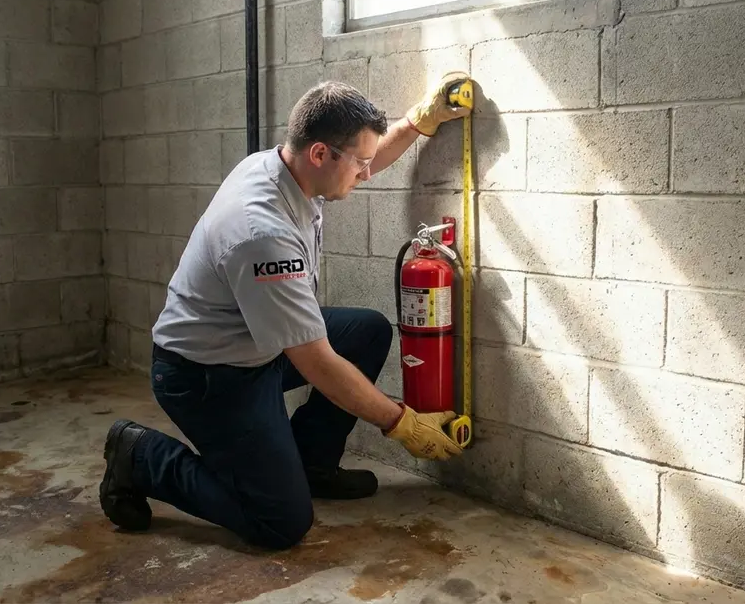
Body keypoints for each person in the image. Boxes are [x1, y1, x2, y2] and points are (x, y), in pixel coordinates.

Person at [98, 72, 472, 550]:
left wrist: (419, 121)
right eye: (359, 163)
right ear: (320, 153)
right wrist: (401, 422)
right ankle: (142, 457)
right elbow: (315, 362)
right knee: (280, 522)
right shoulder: (262, 231)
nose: (367, 173)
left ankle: (312, 463)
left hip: (256, 347)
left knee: (367, 331)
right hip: (207, 377)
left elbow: (364, 155)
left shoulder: (285, 165)